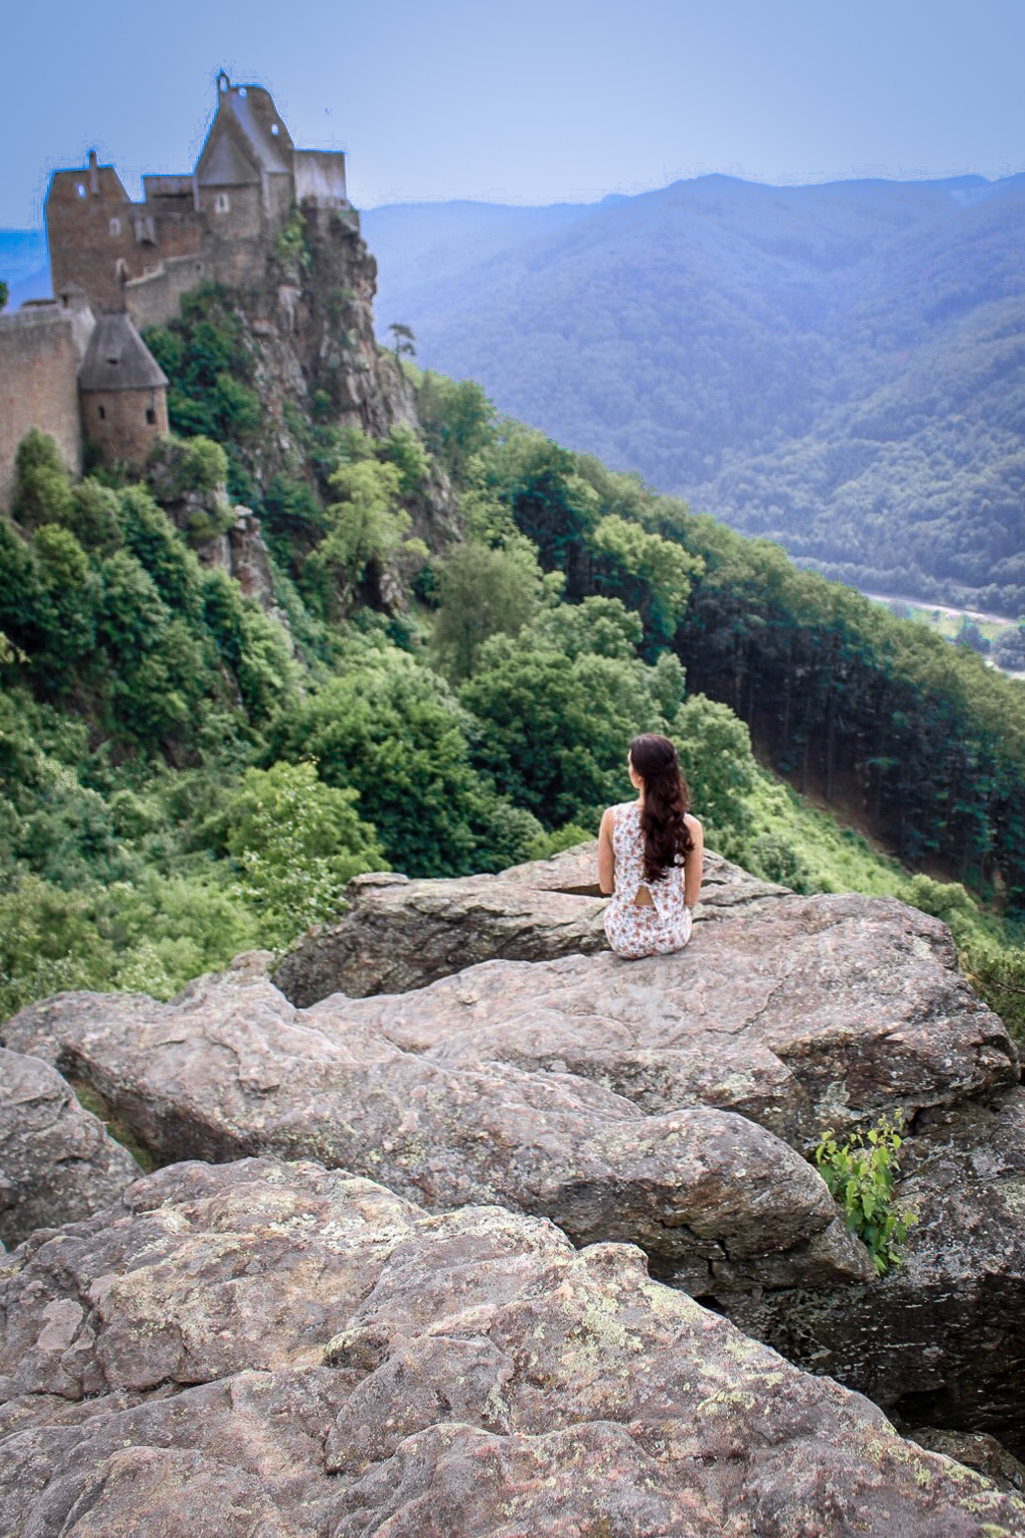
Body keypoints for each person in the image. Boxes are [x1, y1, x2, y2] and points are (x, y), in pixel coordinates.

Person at [598, 733, 704, 958]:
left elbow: (606, 886)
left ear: (638, 776)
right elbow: (692, 898)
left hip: (624, 938)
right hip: (671, 936)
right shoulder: (689, 826)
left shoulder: (612, 818)